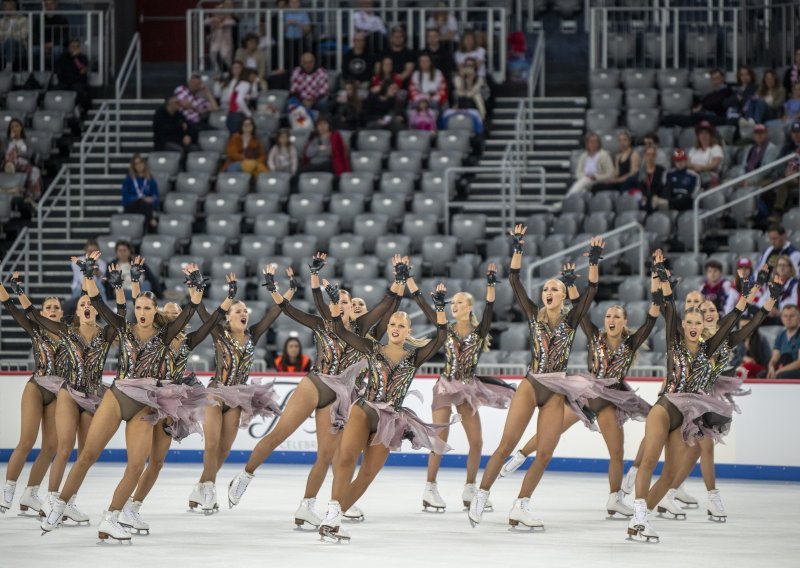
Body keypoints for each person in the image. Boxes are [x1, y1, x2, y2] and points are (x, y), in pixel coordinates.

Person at [228, 254, 404, 525]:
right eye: (341, 300)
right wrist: (279, 285)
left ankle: (306, 507)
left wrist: (399, 280)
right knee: (279, 434)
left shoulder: (362, 329)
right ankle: (244, 477)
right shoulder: (323, 323)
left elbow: (385, 305)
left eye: (347, 301)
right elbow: (289, 309)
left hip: (340, 398)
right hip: (317, 383)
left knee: (325, 456)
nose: (344, 304)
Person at [40, 256, 204, 541]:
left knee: (136, 466)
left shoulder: (166, 335)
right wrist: (88, 273)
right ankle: (59, 505)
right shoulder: (123, 328)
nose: (142, 311)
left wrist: (194, 284)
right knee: (88, 455)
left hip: (145, 405)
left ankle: (111, 518)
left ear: (155, 312)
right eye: (138, 306)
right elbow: (97, 300)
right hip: (117, 396)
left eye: (147, 308)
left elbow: (191, 311)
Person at [467, 229, 605, 529]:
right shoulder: (533, 315)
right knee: (506, 445)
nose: (548, 293)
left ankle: (521, 505)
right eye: (545, 290)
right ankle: (482, 493)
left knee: (544, 452)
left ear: (563, 295)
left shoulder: (571, 320)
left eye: (554, 289)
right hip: (532, 384)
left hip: (557, 389)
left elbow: (592, 290)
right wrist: (517, 247)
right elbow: (515, 280)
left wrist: (593, 261)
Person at [500, 286, 660, 518]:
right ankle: (521, 455)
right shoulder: (595, 336)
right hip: (588, 393)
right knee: (552, 432)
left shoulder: (631, 343)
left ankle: (615, 496)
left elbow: (650, 322)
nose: (611, 319)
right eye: (608, 316)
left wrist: (656, 298)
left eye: (616, 316)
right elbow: (580, 310)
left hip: (611, 398)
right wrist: (572, 287)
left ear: (624, 322)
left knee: (618, 451)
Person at [626, 250, 748, 543]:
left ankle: (637, 522)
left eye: (697, 323)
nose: (693, 326)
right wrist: (662, 274)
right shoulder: (675, 343)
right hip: (666, 408)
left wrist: (747, 295)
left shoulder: (709, 350)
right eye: (688, 322)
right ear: (683, 326)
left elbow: (733, 318)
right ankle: (640, 516)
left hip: (688, 419)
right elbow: (668, 307)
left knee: (670, 476)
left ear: (703, 327)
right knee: (649, 462)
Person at [318, 284, 450, 542]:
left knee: (367, 474)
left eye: (401, 325)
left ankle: (332, 519)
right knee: (345, 460)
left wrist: (440, 307)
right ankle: (333, 513)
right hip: (365, 410)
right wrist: (334, 304)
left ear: (408, 331)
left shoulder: (415, 356)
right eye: (392, 325)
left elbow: (442, 336)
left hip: (391, 419)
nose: (396, 329)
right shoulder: (372, 348)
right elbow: (339, 330)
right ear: (387, 328)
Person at [123, 271, 235, 533]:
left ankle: (133, 508)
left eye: (177, 314)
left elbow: (211, 323)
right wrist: (135, 282)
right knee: (136, 463)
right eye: (169, 314)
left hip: (171, 407)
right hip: (147, 401)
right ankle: (118, 507)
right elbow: (137, 306)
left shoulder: (187, 343)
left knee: (157, 462)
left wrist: (227, 297)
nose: (174, 316)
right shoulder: (154, 339)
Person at [409, 264, 515, 513]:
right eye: (451, 303)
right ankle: (430, 488)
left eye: (458, 302)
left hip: (468, 387)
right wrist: (409, 279)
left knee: (477, 442)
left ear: (468, 307)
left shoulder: (479, 332)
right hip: (446, 386)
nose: (453, 306)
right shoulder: (445, 329)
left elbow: (490, 308)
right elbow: (424, 305)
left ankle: (470, 488)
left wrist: (490, 284)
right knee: (440, 439)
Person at [188, 267, 295, 514]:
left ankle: (200, 487)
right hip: (216, 393)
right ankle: (209, 490)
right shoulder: (218, 332)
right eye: (238, 310)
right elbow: (202, 311)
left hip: (238, 397)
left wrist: (284, 288)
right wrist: (196, 286)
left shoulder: (253, 334)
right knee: (212, 445)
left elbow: (275, 312)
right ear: (228, 316)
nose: (243, 313)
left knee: (224, 449)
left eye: (245, 310)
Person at [26, 270, 126, 522]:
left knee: (86, 455)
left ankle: (67, 501)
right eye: (82, 304)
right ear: (78, 312)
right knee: (63, 447)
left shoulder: (106, 335)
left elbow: (122, 315)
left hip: (93, 398)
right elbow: (31, 316)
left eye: (91, 303)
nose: (87, 306)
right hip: (69, 393)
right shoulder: (66, 333)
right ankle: (50, 500)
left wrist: (111, 286)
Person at [0, 277, 61, 516]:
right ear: (42, 312)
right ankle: (8, 489)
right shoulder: (35, 328)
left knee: (50, 446)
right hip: (37, 386)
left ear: (62, 312)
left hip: (58, 392)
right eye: (49, 307)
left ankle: (30, 494)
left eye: (56, 307)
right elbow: (10, 307)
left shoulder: (69, 332)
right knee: (26, 441)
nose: (53, 310)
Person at [662, 68, 731, 127]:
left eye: (717, 78)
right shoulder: (712, 93)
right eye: (713, 79)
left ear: (723, 78)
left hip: (715, 117)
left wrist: (702, 106)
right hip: (702, 116)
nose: (715, 81)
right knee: (669, 118)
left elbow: (718, 103)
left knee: (693, 117)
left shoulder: (727, 91)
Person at [3, 119, 43, 202]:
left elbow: (29, 154)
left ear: (21, 128)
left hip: (24, 163)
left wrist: (19, 152)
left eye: (17, 126)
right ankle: (10, 165)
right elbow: (3, 153)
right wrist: (12, 142)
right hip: (8, 161)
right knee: (12, 152)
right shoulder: (7, 142)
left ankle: (31, 195)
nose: (14, 128)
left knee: (35, 170)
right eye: (12, 127)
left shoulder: (26, 142)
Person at [565, 132, 615, 196]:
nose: (593, 144)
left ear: (599, 143)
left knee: (585, 181)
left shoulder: (604, 155)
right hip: (585, 179)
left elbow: (610, 174)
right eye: (591, 141)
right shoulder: (584, 156)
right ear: (587, 143)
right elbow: (578, 172)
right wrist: (586, 175)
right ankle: (570, 202)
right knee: (583, 189)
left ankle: (565, 200)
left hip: (597, 179)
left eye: (595, 141)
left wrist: (595, 177)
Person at [121, 154, 160, 232]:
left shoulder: (150, 179)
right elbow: (125, 197)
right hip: (132, 206)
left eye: (141, 163)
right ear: (133, 166)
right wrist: (139, 198)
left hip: (146, 208)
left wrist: (151, 200)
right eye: (136, 164)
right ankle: (151, 219)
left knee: (144, 205)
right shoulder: (128, 179)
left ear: (144, 164)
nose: (139, 165)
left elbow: (156, 196)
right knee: (141, 202)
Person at [214, 60, 254, 134]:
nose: (236, 70)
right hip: (226, 108)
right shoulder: (227, 81)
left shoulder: (244, 83)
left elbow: (249, 97)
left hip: (237, 110)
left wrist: (254, 84)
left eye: (238, 68)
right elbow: (217, 94)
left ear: (242, 69)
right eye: (234, 68)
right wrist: (216, 83)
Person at [54, 38, 91, 113]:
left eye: (77, 46)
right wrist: (76, 73)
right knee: (56, 91)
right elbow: (60, 73)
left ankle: (78, 110)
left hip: (77, 83)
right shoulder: (62, 58)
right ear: (69, 48)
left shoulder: (83, 58)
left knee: (80, 90)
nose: (75, 49)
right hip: (65, 82)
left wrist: (75, 58)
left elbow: (82, 69)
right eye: (73, 46)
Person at [767, 304, 800, 378]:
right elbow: (774, 358)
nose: (788, 319)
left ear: (799, 318)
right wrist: (771, 367)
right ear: (781, 318)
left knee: (781, 375)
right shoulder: (781, 335)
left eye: (792, 316)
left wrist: (780, 371)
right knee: (762, 375)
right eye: (785, 316)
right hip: (782, 367)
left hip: (796, 370)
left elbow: (799, 362)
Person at [204, 0, 237, 73]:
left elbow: (233, 22)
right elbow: (205, 22)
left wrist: (222, 24)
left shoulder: (230, 18)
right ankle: (216, 68)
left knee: (225, 56)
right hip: (216, 39)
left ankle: (229, 70)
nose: (220, 15)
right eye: (218, 14)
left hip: (225, 41)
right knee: (213, 52)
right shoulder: (214, 17)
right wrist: (213, 19)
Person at [452, 57, 489, 122]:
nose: (469, 67)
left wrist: (471, 80)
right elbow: (460, 90)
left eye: (471, 65)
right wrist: (462, 78)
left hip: (474, 97)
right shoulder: (457, 78)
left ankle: (481, 118)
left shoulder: (480, 79)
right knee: (458, 94)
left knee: (478, 96)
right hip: (461, 98)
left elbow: (473, 91)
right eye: (467, 65)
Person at [687, 121, 723, 188]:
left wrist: (701, 168)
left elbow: (714, 164)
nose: (704, 136)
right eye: (701, 133)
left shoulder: (716, 148)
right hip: (692, 174)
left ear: (711, 135)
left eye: (706, 133)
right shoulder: (693, 150)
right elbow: (687, 163)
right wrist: (695, 168)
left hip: (708, 175)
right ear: (698, 136)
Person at [283, 0, 312, 69]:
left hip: (300, 40)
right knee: (288, 60)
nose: (294, 4)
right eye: (292, 2)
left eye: (296, 2)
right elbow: (281, 29)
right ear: (289, 4)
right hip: (288, 40)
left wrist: (298, 23)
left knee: (301, 59)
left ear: (299, 3)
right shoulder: (285, 13)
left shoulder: (303, 13)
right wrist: (287, 24)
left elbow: (307, 30)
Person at [638, 145, 667, 213]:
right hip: (645, 197)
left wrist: (649, 196)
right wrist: (644, 195)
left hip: (656, 197)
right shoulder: (641, 171)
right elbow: (640, 185)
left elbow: (661, 186)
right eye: (648, 154)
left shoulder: (661, 170)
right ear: (644, 156)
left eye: (653, 155)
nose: (650, 157)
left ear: (655, 156)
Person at [0, 0, 27, 71]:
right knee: (8, 41)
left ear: (13, 6)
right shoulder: (2, 20)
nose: (3, 8)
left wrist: (7, 35)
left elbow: (22, 35)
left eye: (6, 5)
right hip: (3, 45)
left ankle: (9, 67)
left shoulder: (23, 19)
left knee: (10, 41)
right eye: (4, 6)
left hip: (20, 47)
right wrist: (10, 35)